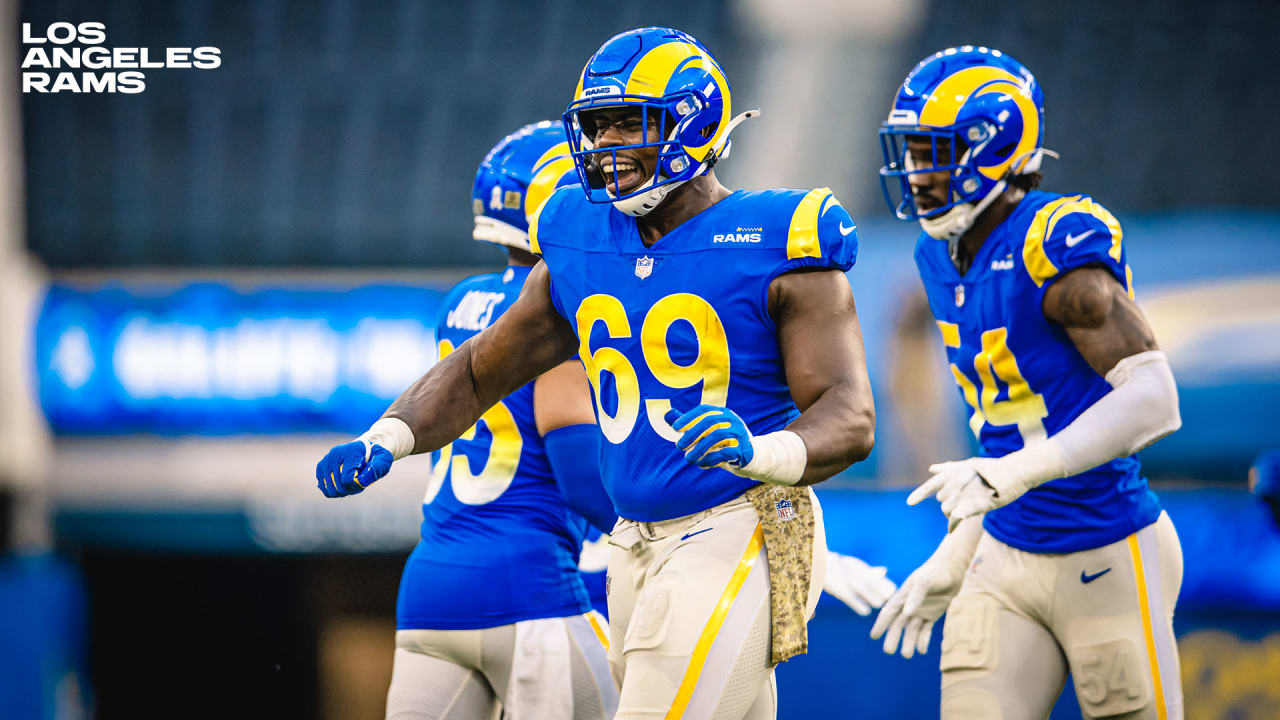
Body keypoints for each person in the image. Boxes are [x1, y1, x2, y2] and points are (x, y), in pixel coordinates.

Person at [317, 27, 877, 720]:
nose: (607, 145)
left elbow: (849, 415)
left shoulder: (778, 236)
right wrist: (389, 436)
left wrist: (763, 452)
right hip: (634, 544)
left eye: (628, 123)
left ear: (692, 121)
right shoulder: (578, 233)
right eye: (596, 125)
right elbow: (479, 369)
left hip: (744, 519)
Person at [869, 46, 1185, 719]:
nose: (917, 174)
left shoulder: (1051, 242)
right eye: (911, 152)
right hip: (1004, 551)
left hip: (1107, 548)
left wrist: (1014, 475)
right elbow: (1004, 433)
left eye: (934, 152)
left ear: (995, 148)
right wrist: (957, 552)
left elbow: (1155, 398)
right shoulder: (937, 252)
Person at [318, 121, 618, 719]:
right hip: (528, 585)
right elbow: (579, 469)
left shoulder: (462, 300)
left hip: (432, 587)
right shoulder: (564, 301)